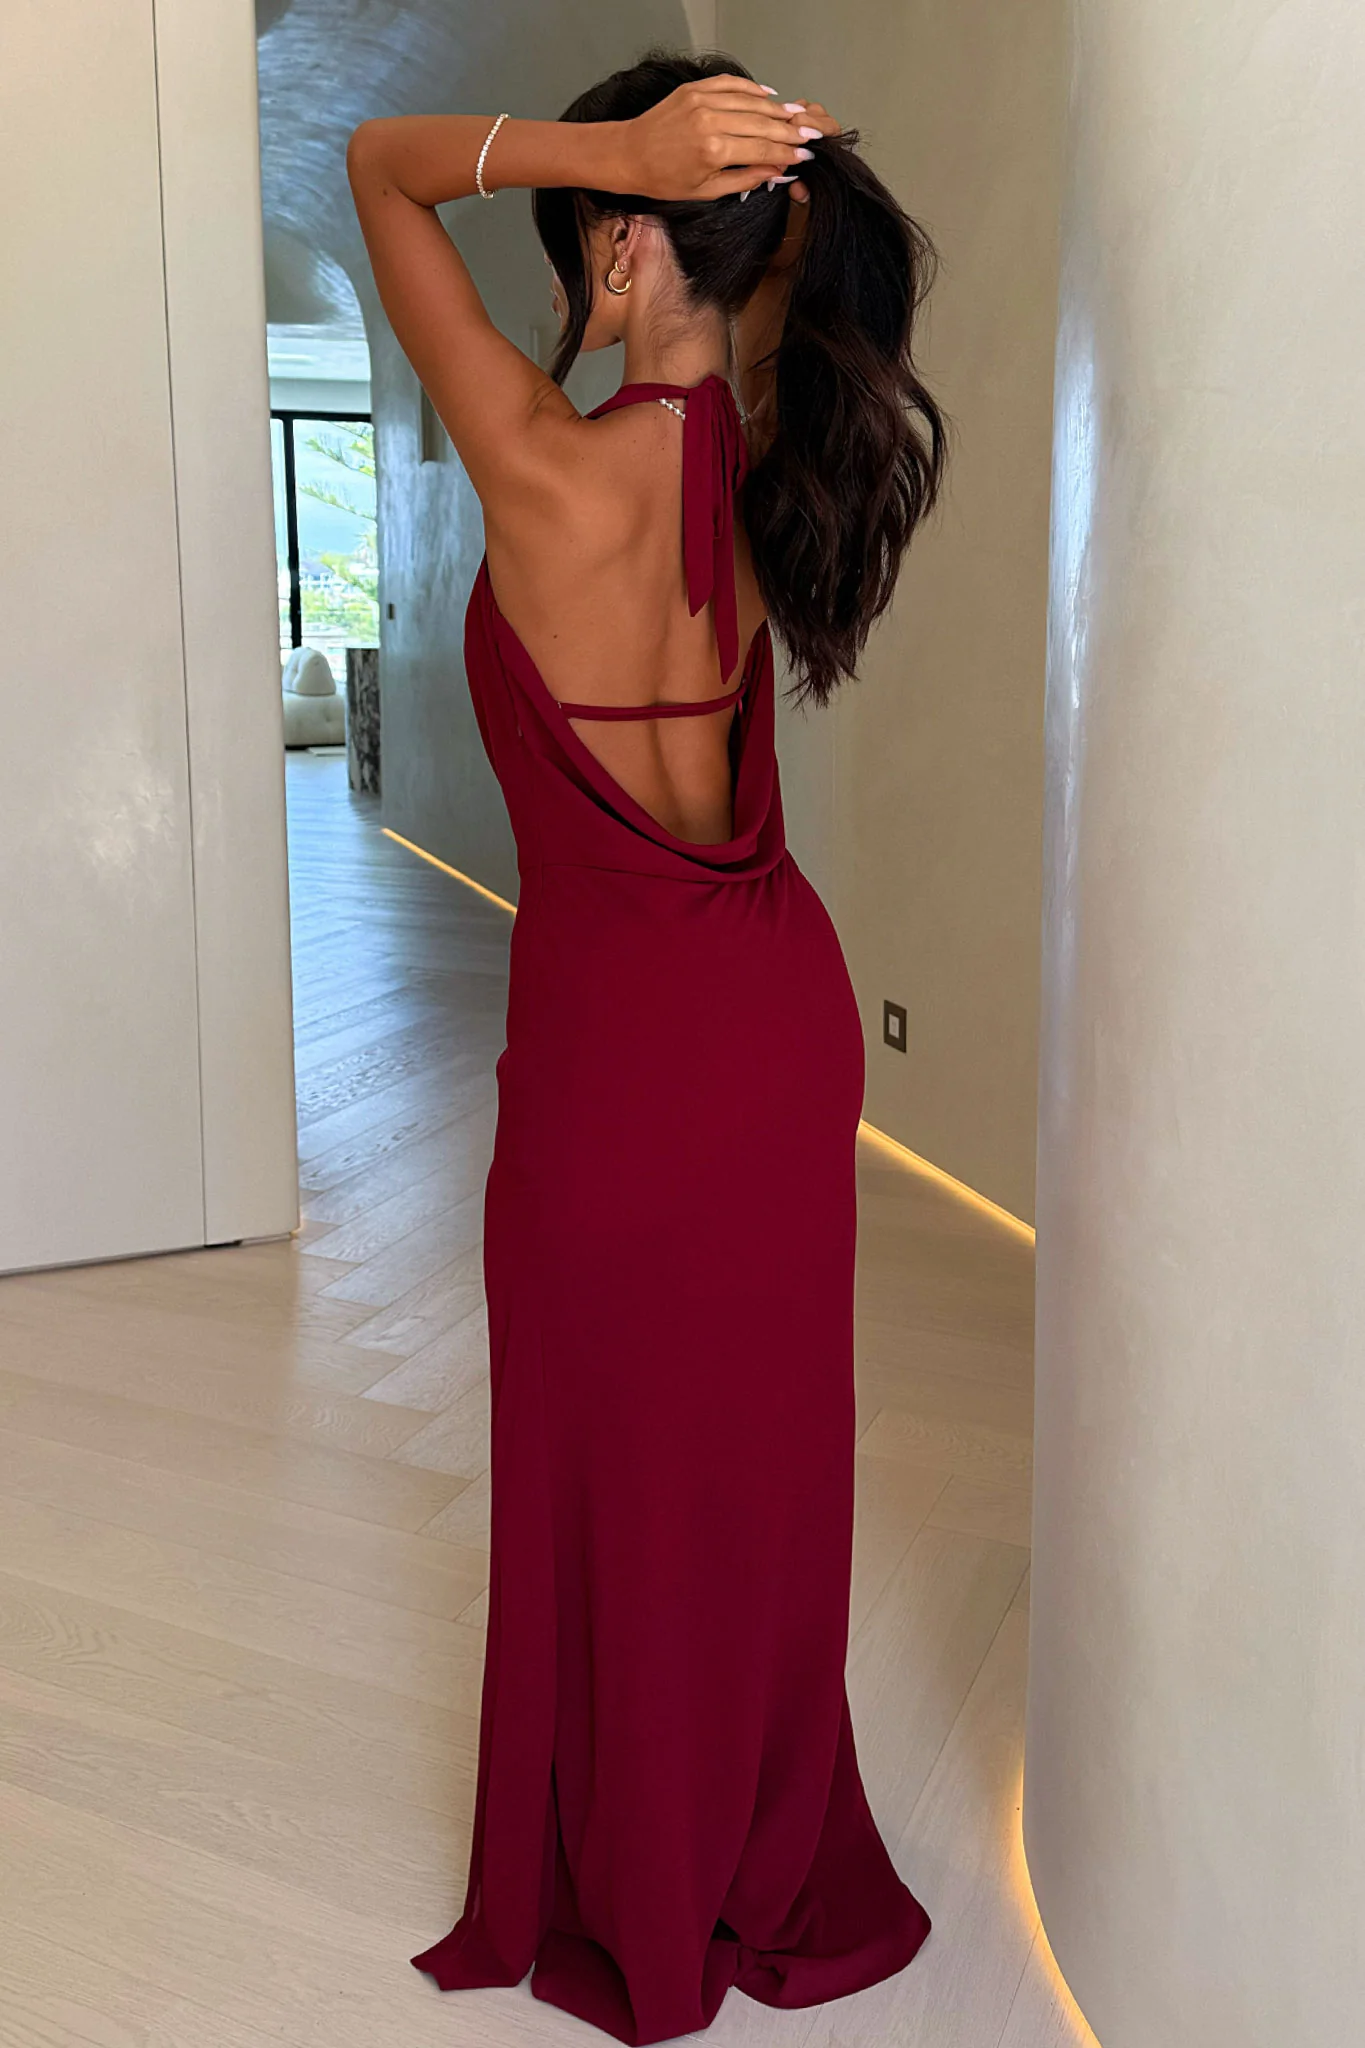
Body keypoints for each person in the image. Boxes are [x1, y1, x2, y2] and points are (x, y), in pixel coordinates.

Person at [346, 47, 947, 2048]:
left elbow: (378, 163)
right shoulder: (768, 473)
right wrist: (694, 184)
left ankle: (642, 1870)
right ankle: (756, 1846)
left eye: (584, 246)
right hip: (773, 1021)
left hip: (622, 1057)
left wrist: (614, 151)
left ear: (620, 249)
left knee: (612, 1466)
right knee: (757, 1466)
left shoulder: (539, 457)